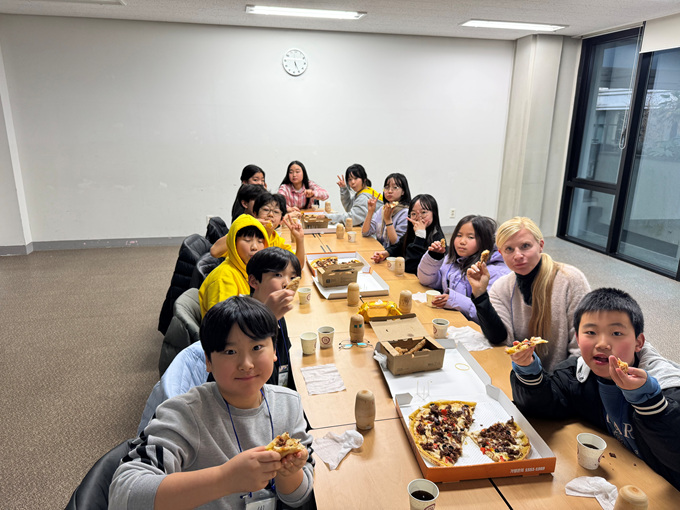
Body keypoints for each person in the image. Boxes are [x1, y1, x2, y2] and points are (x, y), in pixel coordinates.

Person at [110, 297, 314, 509]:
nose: (246, 364)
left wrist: (288, 472)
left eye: (257, 347)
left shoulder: (289, 404)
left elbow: (297, 498)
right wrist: (224, 479)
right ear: (208, 361)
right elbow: (124, 494)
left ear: (274, 351)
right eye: (230, 352)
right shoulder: (185, 413)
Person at [510, 288, 680, 490]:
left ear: (638, 342)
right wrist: (528, 370)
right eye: (591, 333)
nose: (602, 344)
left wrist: (649, 401)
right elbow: (544, 406)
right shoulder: (578, 373)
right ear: (577, 338)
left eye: (616, 333)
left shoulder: (667, 386)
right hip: (625, 476)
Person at [136, 248, 301, 434]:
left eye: (292, 276)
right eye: (278, 275)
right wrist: (269, 318)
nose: (287, 282)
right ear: (253, 281)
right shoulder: (191, 416)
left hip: (268, 406)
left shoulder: (279, 318)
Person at [468, 216, 591, 372]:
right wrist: (480, 295)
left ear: (540, 245)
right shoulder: (501, 287)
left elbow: (582, 349)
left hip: (563, 378)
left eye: (525, 246)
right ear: (501, 253)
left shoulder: (570, 280)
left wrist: (554, 382)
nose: (518, 255)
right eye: (509, 249)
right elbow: (499, 339)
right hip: (523, 374)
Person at [417, 215, 509, 322]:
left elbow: (490, 316)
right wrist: (434, 258)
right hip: (453, 319)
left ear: (485, 241)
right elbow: (429, 281)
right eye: (459, 235)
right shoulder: (454, 260)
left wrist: (455, 301)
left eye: (471, 237)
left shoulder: (495, 272)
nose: (462, 241)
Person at [199, 214, 268, 317]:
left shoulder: (248, 269)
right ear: (233, 243)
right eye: (247, 240)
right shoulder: (223, 278)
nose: (255, 247)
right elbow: (223, 322)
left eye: (260, 241)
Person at [362, 173, 411, 257]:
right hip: (380, 252)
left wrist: (388, 220)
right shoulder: (383, 209)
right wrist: (370, 211)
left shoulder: (405, 212)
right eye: (387, 187)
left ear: (403, 191)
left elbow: (396, 243)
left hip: (394, 256)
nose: (390, 191)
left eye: (395, 187)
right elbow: (365, 232)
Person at [252, 192, 306, 269]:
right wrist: (250, 221)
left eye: (276, 212)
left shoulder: (277, 240)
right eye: (266, 210)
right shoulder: (246, 236)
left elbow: (297, 266)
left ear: (281, 220)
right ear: (255, 214)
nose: (271, 214)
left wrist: (299, 239)